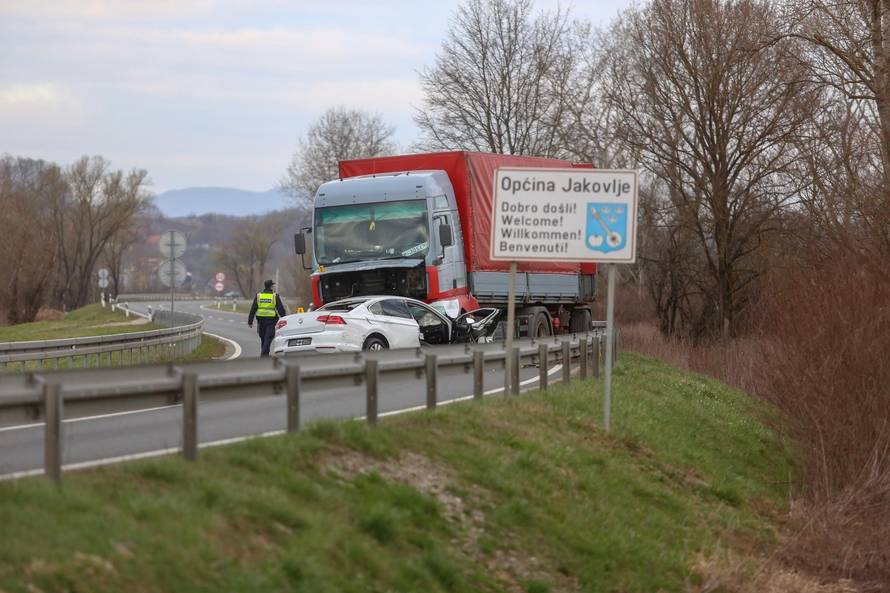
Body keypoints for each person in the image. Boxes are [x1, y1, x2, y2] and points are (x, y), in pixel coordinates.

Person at [247, 279, 286, 357]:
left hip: (260, 321)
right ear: (271, 286)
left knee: (263, 338)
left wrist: (250, 321)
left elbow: (253, 308)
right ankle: (263, 355)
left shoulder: (259, 296)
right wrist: (284, 319)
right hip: (271, 321)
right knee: (268, 338)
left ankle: (265, 356)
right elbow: (280, 309)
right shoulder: (274, 296)